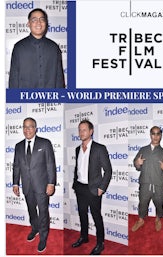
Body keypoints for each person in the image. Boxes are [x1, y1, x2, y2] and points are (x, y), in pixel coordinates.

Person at [12, 117, 57, 253]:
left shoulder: (45, 143)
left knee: (43, 212)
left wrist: (51, 183)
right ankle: (35, 229)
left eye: (30, 126)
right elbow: (16, 166)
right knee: (32, 210)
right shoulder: (18, 146)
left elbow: (50, 164)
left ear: (35, 128)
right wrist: (15, 183)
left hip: (42, 186)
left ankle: (43, 237)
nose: (27, 130)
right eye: (25, 127)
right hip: (27, 186)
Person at [72, 120, 112, 255]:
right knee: (82, 214)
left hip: (94, 189)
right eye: (79, 130)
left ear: (91, 131)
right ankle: (84, 237)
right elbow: (77, 168)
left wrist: (102, 188)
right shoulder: (77, 149)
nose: (81, 132)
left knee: (96, 216)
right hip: (80, 188)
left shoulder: (99, 148)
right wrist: (75, 184)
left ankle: (100, 243)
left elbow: (108, 170)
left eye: (84, 130)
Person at [9, 8, 65, 88]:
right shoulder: (19, 47)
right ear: (28, 24)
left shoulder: (54, 47)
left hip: (49, 99)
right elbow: (13, 78)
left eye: (42, 19)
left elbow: (59, 78)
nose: (38, 23)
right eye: (34, 20)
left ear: (46, 23)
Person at [132, 126, 163, 232]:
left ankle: (158, 219)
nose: (156, 136)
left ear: (161, 135)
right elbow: (136, 165)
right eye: (153, 133)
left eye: (158, 134)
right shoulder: (143, 150)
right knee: (143, 203)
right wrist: (137, 163)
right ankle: (141, 220)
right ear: (150, 135)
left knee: (159, 203)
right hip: (145, 183)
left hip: (159, 184)